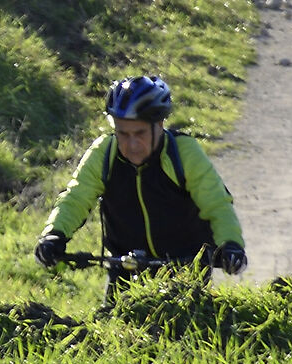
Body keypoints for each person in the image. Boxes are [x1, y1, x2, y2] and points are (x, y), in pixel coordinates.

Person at [35, 75, 246, 298]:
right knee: (113, 330)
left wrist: (230, 244)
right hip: (125, 267)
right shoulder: (105, 153)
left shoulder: (183, 153)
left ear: (160, 124)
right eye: (123, 134)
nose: (132, 144)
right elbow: (76, 197)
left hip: (185, 269)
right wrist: (53, 235)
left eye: (140, 133)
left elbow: (217, 204)